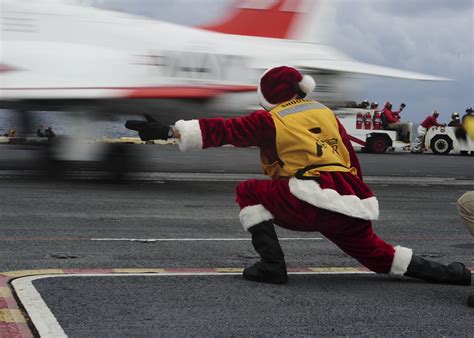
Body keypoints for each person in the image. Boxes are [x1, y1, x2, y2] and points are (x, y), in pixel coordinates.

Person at [126, 66, 471, 286]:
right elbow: (351, 159)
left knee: (249, 191)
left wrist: (169, 130)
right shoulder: (322, 111)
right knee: (377, 255)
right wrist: (358, 198)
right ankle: (452, 274)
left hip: (309, 196)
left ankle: (271, 266)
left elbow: (224, 130)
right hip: (349, 197)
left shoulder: (271, 119)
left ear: (267, 95)